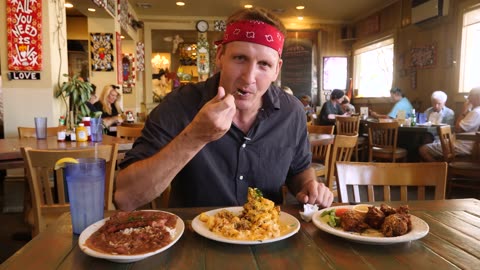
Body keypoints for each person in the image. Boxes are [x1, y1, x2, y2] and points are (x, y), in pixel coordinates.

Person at [114, 7, 334, 210]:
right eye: (240, 58)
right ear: (220, 57)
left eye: (264, 65)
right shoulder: (179, 105)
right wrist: (195, 137)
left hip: (268, 236)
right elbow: (125, 196)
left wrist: (309, 186)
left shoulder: (291, 111)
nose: (249, 78)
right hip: (194, 240)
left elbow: (299, 171)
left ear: (277, 69)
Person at [419, 87, 480, 161]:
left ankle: (440, 169)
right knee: (424, 139)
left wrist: (463, 111)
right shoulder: (475, 111)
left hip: (462, 145)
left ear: (476, 97)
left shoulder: (476, 112)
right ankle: (441, 167)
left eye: (470, 97)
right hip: (461, 142)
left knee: (423, 149)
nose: (468, 100)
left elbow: (457, 129)